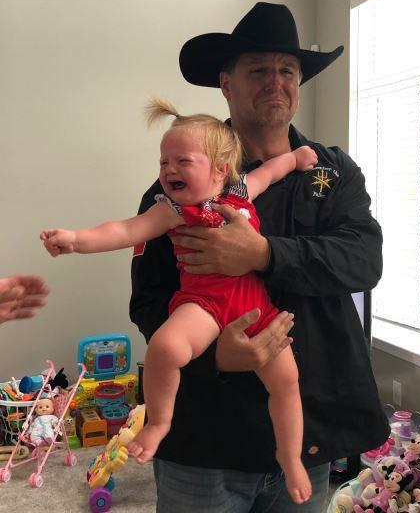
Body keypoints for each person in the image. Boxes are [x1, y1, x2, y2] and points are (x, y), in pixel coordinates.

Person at [129, 2, 391, 513]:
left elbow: (364, 260)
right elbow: (148, 304)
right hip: (206, 443)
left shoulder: (333, 172)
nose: (276, 82)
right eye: (258, 70)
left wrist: (265, 253)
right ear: (226, 84)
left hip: (305, 435)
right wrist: (213, 357)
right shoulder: (179, 192)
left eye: (287, 70)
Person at [40, 99, 318, 504]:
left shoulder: (241, 193)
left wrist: (295, 158)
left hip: (254, 308)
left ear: (220, 169)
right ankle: (159, 422)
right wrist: (77, 240)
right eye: (163, 162)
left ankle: (289, 457)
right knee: (165, 348)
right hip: (202, 304)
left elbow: (272, 171)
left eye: (182, 161)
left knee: (288, 383)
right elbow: (125, 229)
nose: (169, 170)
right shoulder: (172, 210)